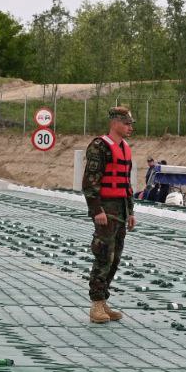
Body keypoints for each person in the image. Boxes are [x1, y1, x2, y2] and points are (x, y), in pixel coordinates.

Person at [82, 106, 137, 324]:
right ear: (115, 123)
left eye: (131, 124)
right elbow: (90, 182)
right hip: (105, 209)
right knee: (104, 255)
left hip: (121, 210)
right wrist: (97, 210)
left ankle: (103, 300)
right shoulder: (99, 147)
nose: (130, 128)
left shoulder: (125, 148)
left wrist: (130, 211)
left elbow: (126, 184)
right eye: (127, 124)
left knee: (115, 259)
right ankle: (96, 304)